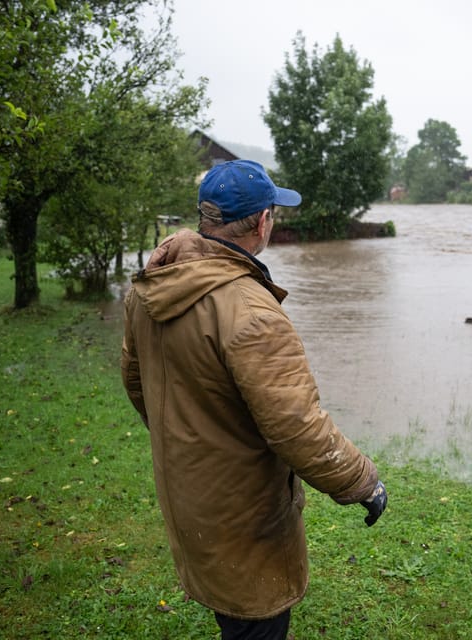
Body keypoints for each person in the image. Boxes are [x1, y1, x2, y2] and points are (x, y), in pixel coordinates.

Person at [121, 159, 387, 640]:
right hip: (244, 510)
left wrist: (189, 440)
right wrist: (363, 482)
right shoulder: (250, 310)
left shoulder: (150, 287)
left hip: (189, 491)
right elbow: (297, 426)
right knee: (255, 619)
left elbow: (136, 381)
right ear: (263, 222)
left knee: (232, 612)